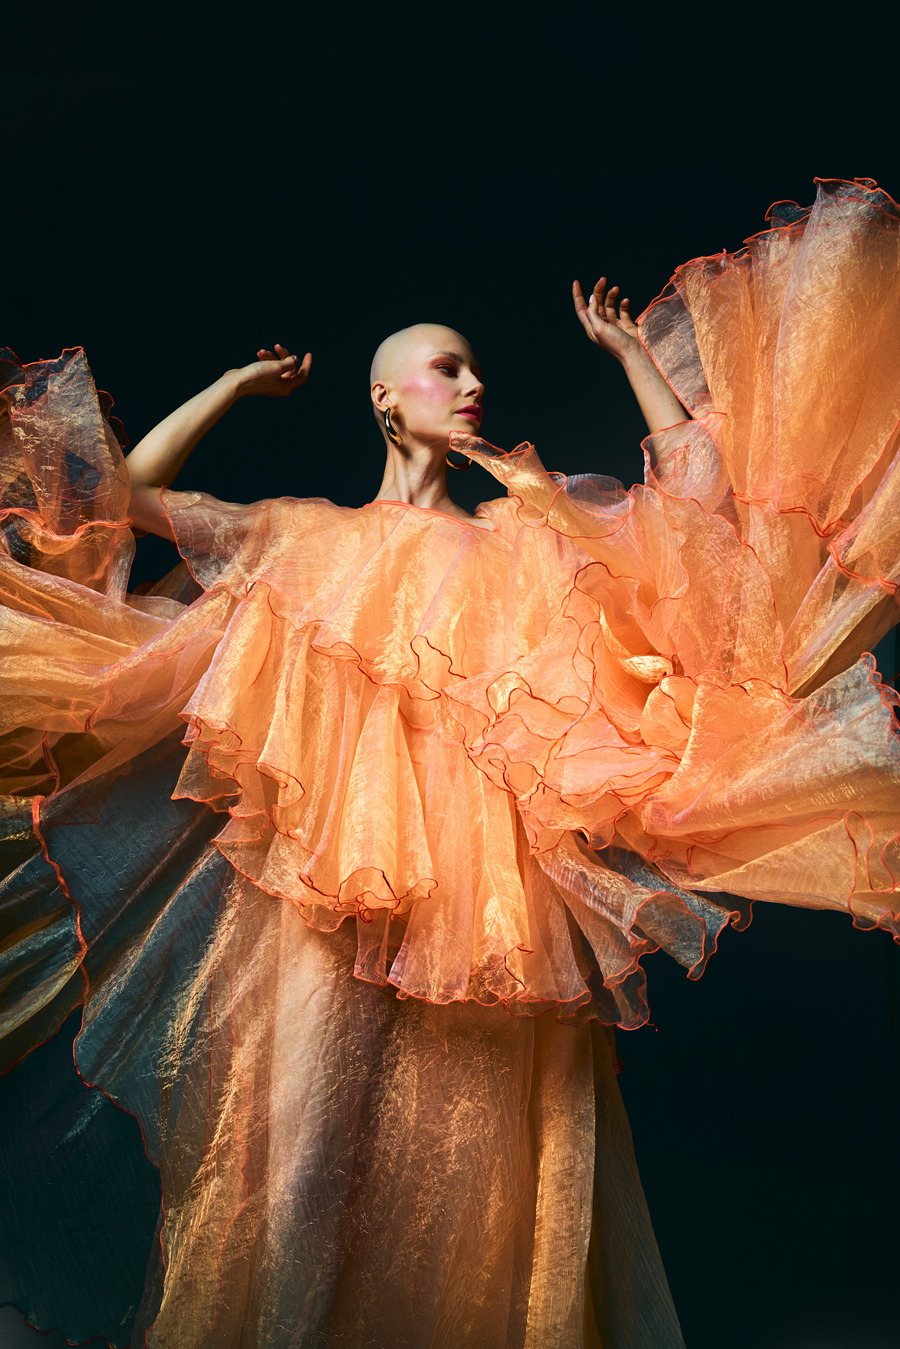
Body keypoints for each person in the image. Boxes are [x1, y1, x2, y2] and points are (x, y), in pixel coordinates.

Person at [0, 175, 898, 1349]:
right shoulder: (306, 537)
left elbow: (698, 527)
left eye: (475, 369)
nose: (474, 386)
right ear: (385, 399)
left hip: (495, 927)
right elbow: (118, 496)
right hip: (330, 906)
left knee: (490, 1166)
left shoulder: (530, 541)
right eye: (446, 368)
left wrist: (639, 356)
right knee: (303, 1161)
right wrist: (230, 386)